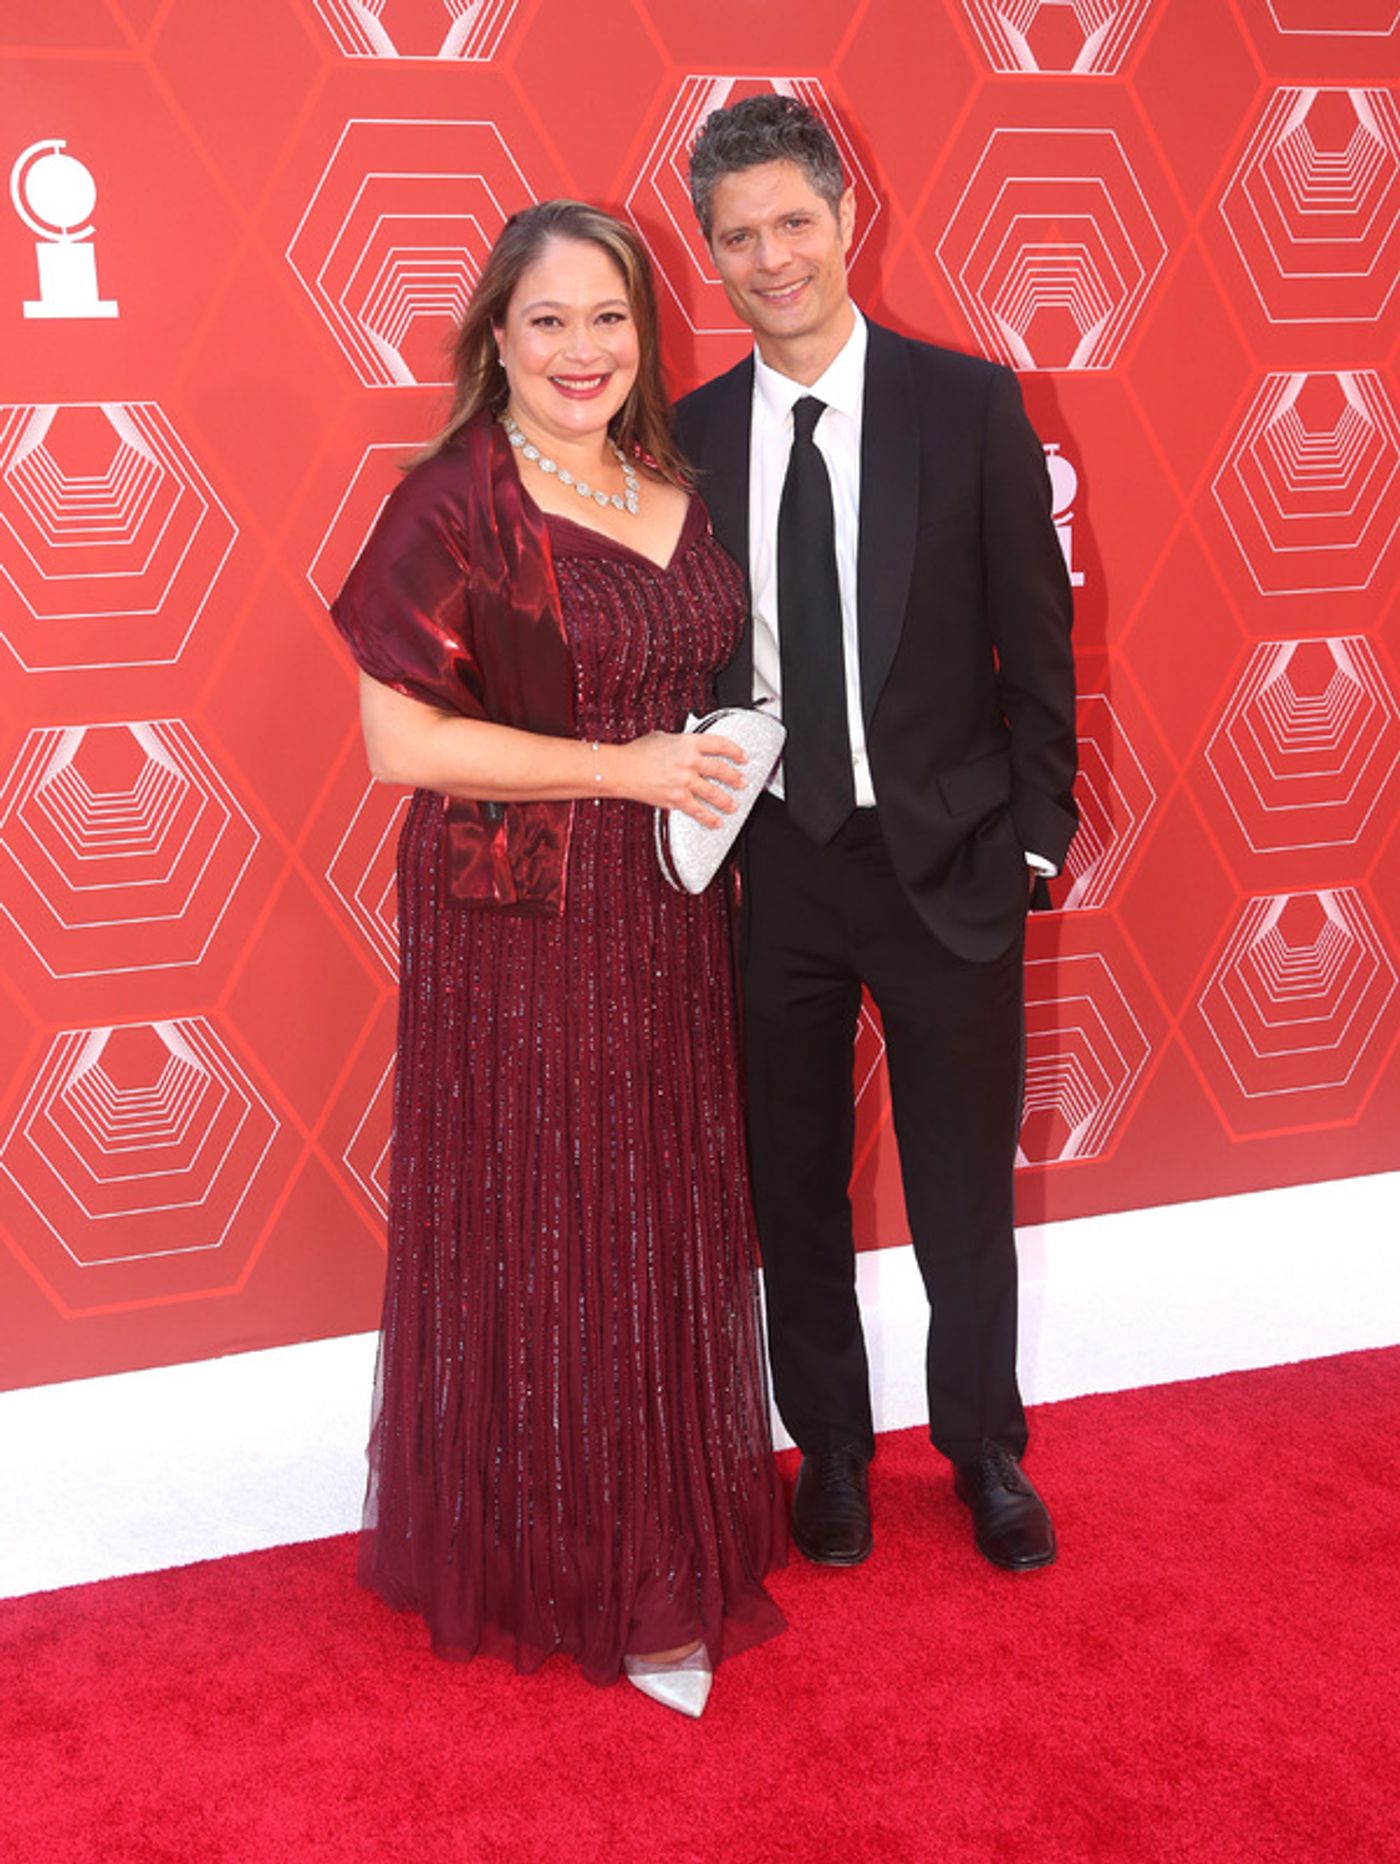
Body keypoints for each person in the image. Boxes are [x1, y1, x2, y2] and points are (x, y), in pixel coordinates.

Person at [331, 199, 786, 1719]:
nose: (582, 349)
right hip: (519, 919)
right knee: (555, 1220)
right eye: (549, 320)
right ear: (497, 338)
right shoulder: (452, 500)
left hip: (667, 911)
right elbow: (401, 743)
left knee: (653, 1212)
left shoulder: (671, 481)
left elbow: (696, 675)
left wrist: (718, 759)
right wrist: (626, 772)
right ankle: (592, 1570)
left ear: (644, 332)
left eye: (609, 318)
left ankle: (652, 1528)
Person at [676, 96, 1078, 1573]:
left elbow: (1038, 641)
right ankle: (832, 1451)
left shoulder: (965, 406)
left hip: (948, 862)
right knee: (791, 1183)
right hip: (775, 868)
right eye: (740, 236)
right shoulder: (689, 438)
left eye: (795, 221)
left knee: (962, 1185)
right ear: (711, 255)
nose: (772, 257)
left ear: (851, 219)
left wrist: (1034, 841)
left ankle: (984, 1450)